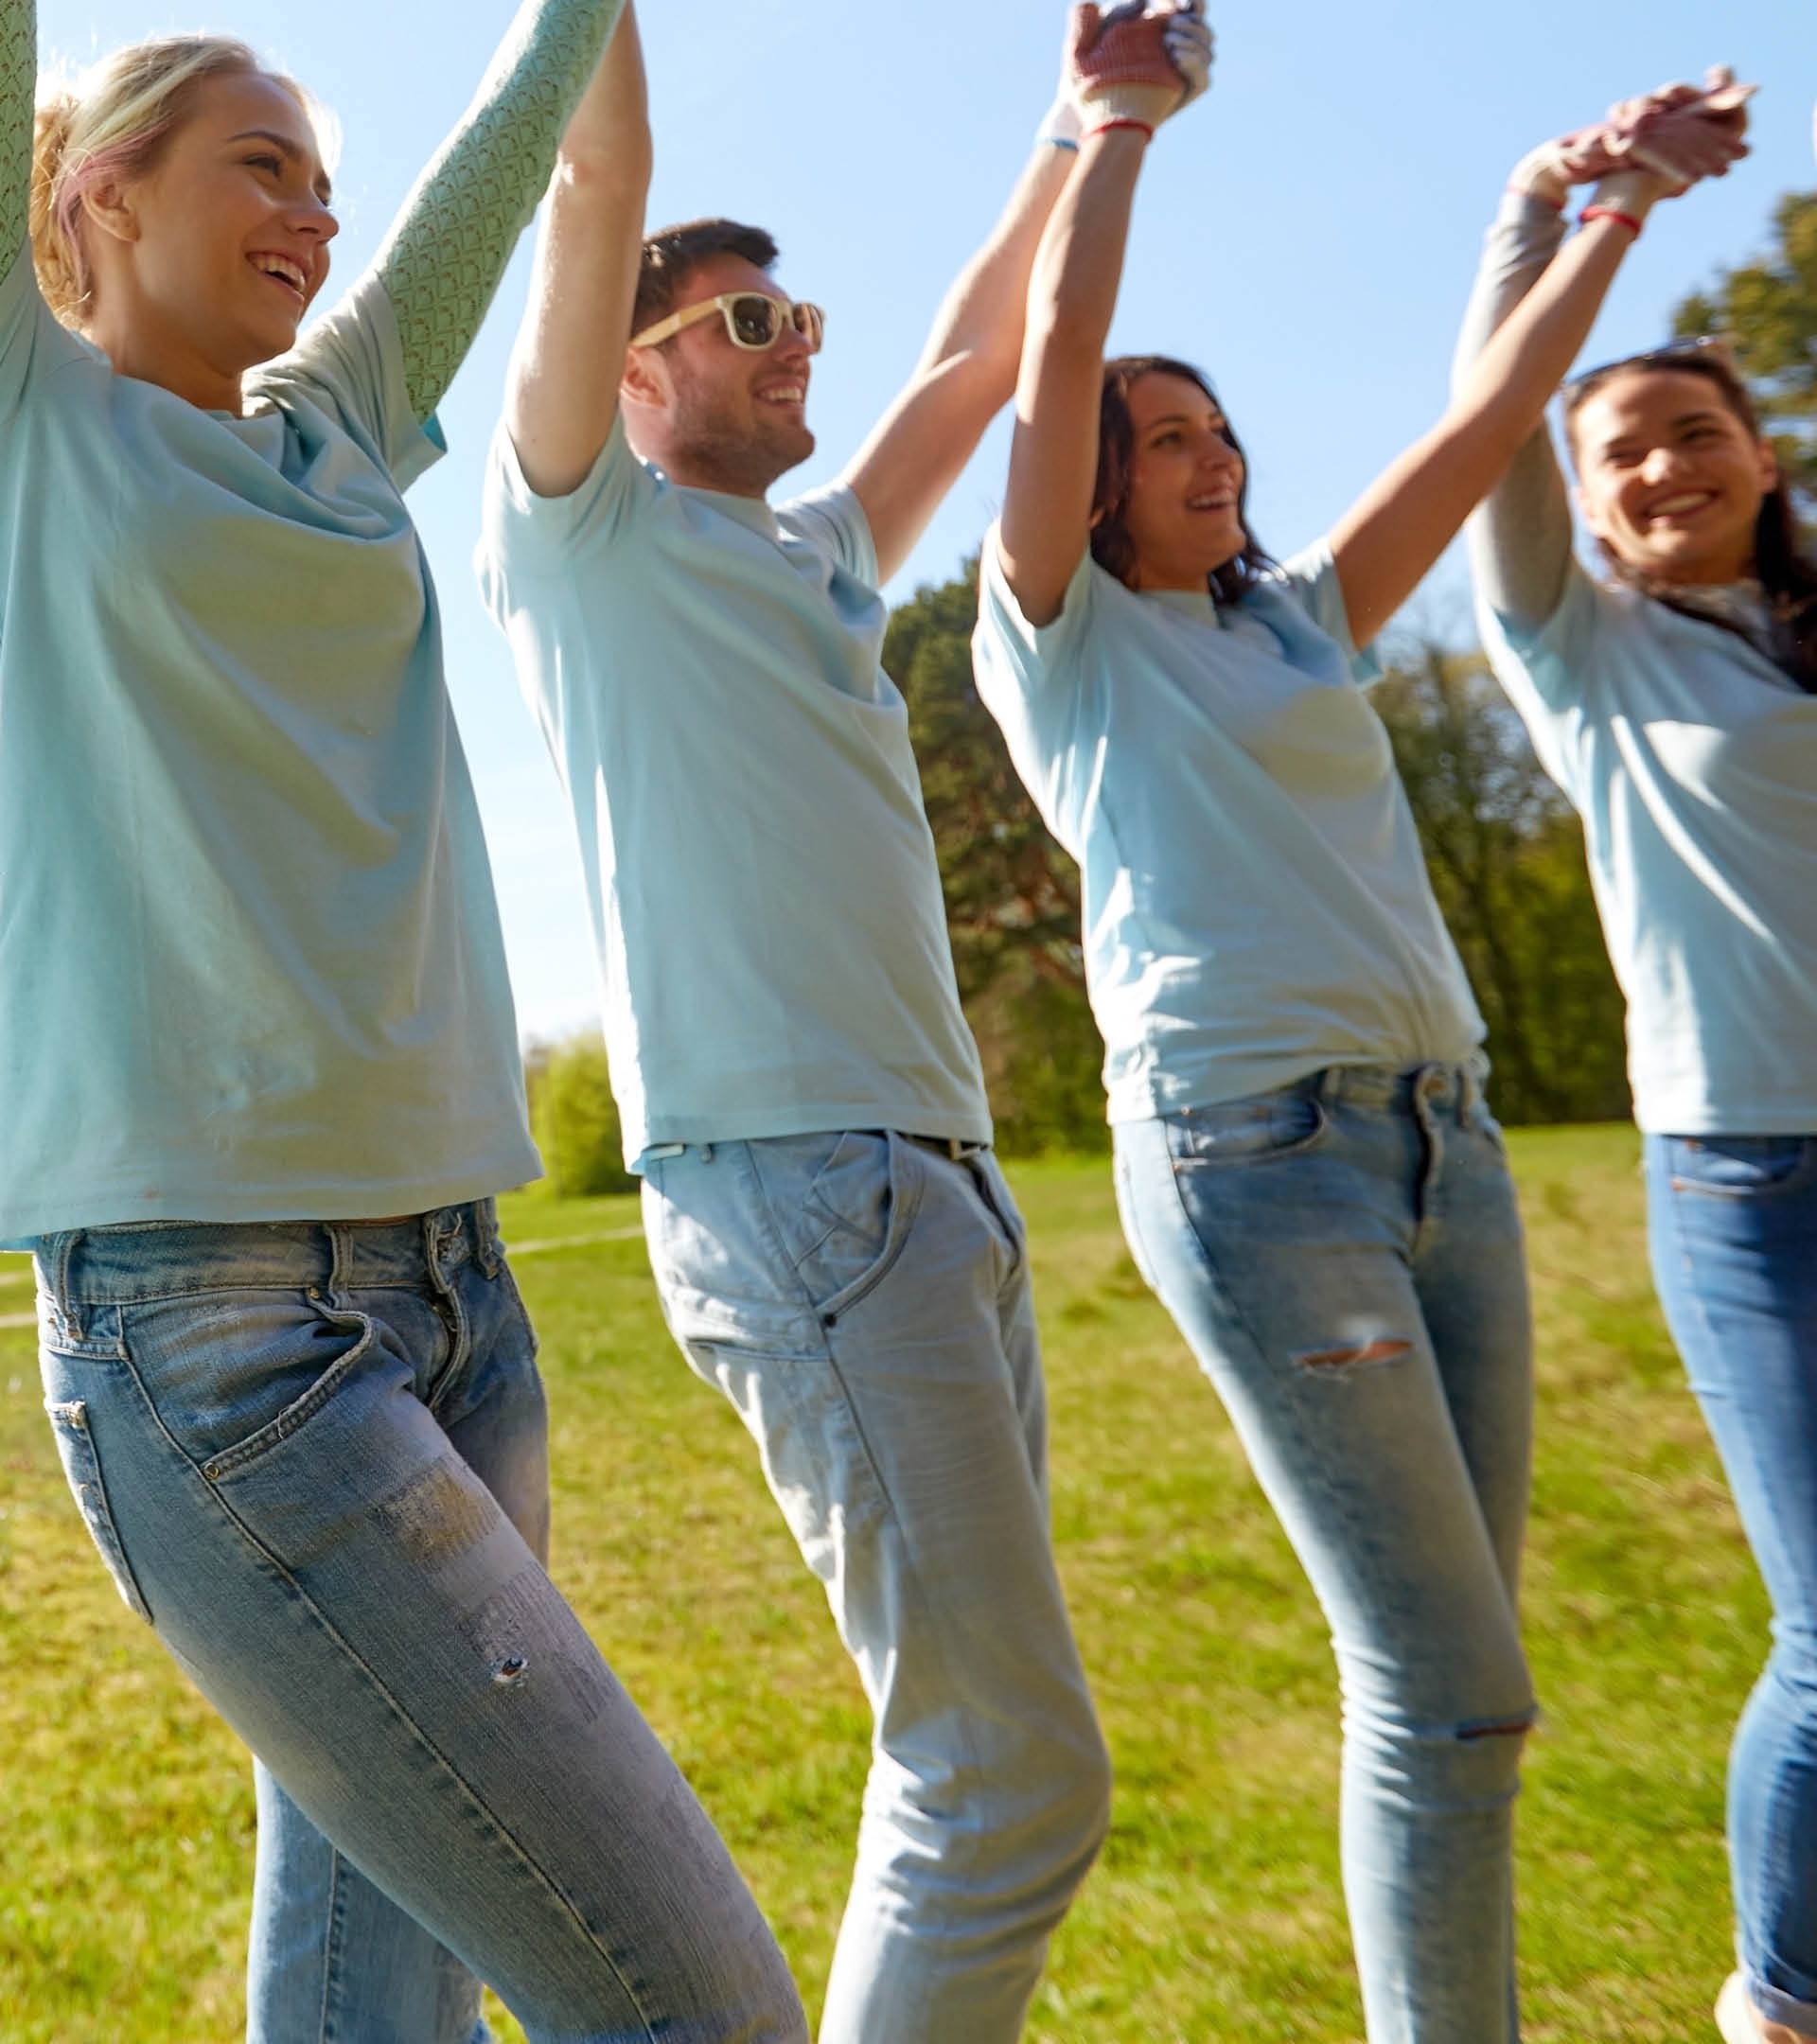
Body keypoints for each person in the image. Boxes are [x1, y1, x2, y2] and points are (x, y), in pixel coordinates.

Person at [2, 2, 806, 2037]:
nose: (314, 208)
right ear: (97, 190)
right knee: (700, 1999)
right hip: (216, 1331)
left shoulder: (336, 426)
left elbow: (517, 127)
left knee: (384, 1979)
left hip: (456, 1286)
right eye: (255, 162)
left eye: (317, 176)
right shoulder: (28, 419)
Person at [970, 27, 1749, 2044]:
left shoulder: (1300, 615)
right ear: (1089, 478)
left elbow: (1498, 418)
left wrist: (1619, 207)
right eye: (1161, 440)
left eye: (1217, 430)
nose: (1204, 456)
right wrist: (1118, 127)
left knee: (1471, 1688)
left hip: (1448, 1152)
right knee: (1448, 1685)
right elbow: (1060, 345)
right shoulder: (1062, 643)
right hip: (1260, 1161)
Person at [476, 8, 1209, 2036]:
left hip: (934, 1195)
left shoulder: (816, 553)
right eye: (752, 318)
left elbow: (984, 358)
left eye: (806, 317)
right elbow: (595, 189)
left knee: (985, 1760)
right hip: (801, 1192)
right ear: (631, 372)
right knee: (1010, 1777)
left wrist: (1092, 119)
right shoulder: (581, 535)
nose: (801, 343)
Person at [1455, 71, 1816, 2044]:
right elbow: (1495, 402)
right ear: (1587, 504)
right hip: (1750, 1182)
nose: (1663, 469)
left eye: (1696, 433)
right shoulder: (1583, 649)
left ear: (1762, 457)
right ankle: (1782, 1999)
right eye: (1625, 456)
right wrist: (1554, 201)